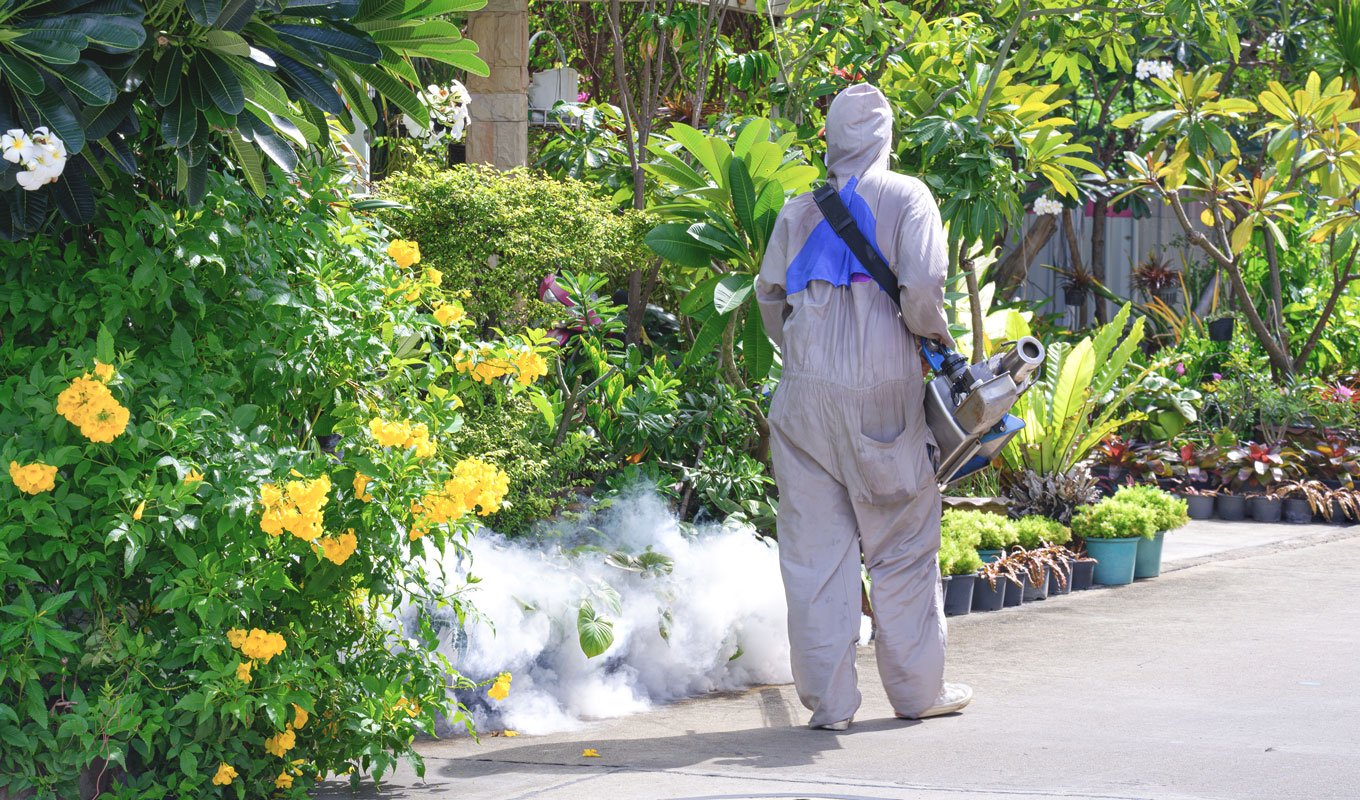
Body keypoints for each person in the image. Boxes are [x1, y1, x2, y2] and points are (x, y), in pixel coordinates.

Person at [756, 83, 972, 731]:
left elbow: (770, 298)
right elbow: (925, 286)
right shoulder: (908, 196)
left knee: (814, 554)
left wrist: (805, 357)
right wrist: (935, 345)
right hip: (882, 389)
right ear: (884, 137)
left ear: (830, 138)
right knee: (902, 544)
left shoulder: (798, 210)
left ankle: (831, 707)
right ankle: (916, 692)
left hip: (802, 396)